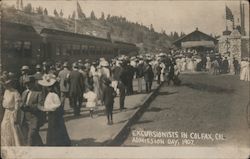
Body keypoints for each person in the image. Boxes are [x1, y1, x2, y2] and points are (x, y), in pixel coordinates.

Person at [37, 75, 71, 146]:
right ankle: (56, 142)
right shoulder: (50, 94)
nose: (47, 88)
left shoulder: (54, 95)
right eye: (47, 87)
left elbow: (56, 105)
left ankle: (56, 143)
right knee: (53, 128)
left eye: (48, 87)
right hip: (52, 114)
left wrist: (44, 108)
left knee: (54, 128)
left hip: (54, 114)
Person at [1, 73, 24, 146]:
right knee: (4, 127)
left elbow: (17, 105)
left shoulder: (15, 92)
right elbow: (4, 103)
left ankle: (15, 144)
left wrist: (16, 115)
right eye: (5, 85)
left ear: (11, 84)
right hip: (6, 112)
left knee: (13, 129)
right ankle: (6, 144)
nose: (6, 86)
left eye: (8, 84)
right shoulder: (5, 92)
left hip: (13, 112)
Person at [20, 76, 43, 146]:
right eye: (26, 84)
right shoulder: (24, 93)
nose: (27, 85)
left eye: (29, 83)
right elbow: (21, 103)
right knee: (29, 136)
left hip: (34, 118)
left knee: (31, 136)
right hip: (24, 117)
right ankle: (41, 146)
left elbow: (40, 106)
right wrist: (20, 105)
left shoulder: (39, 93)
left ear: (33, 83)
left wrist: (29, 107)